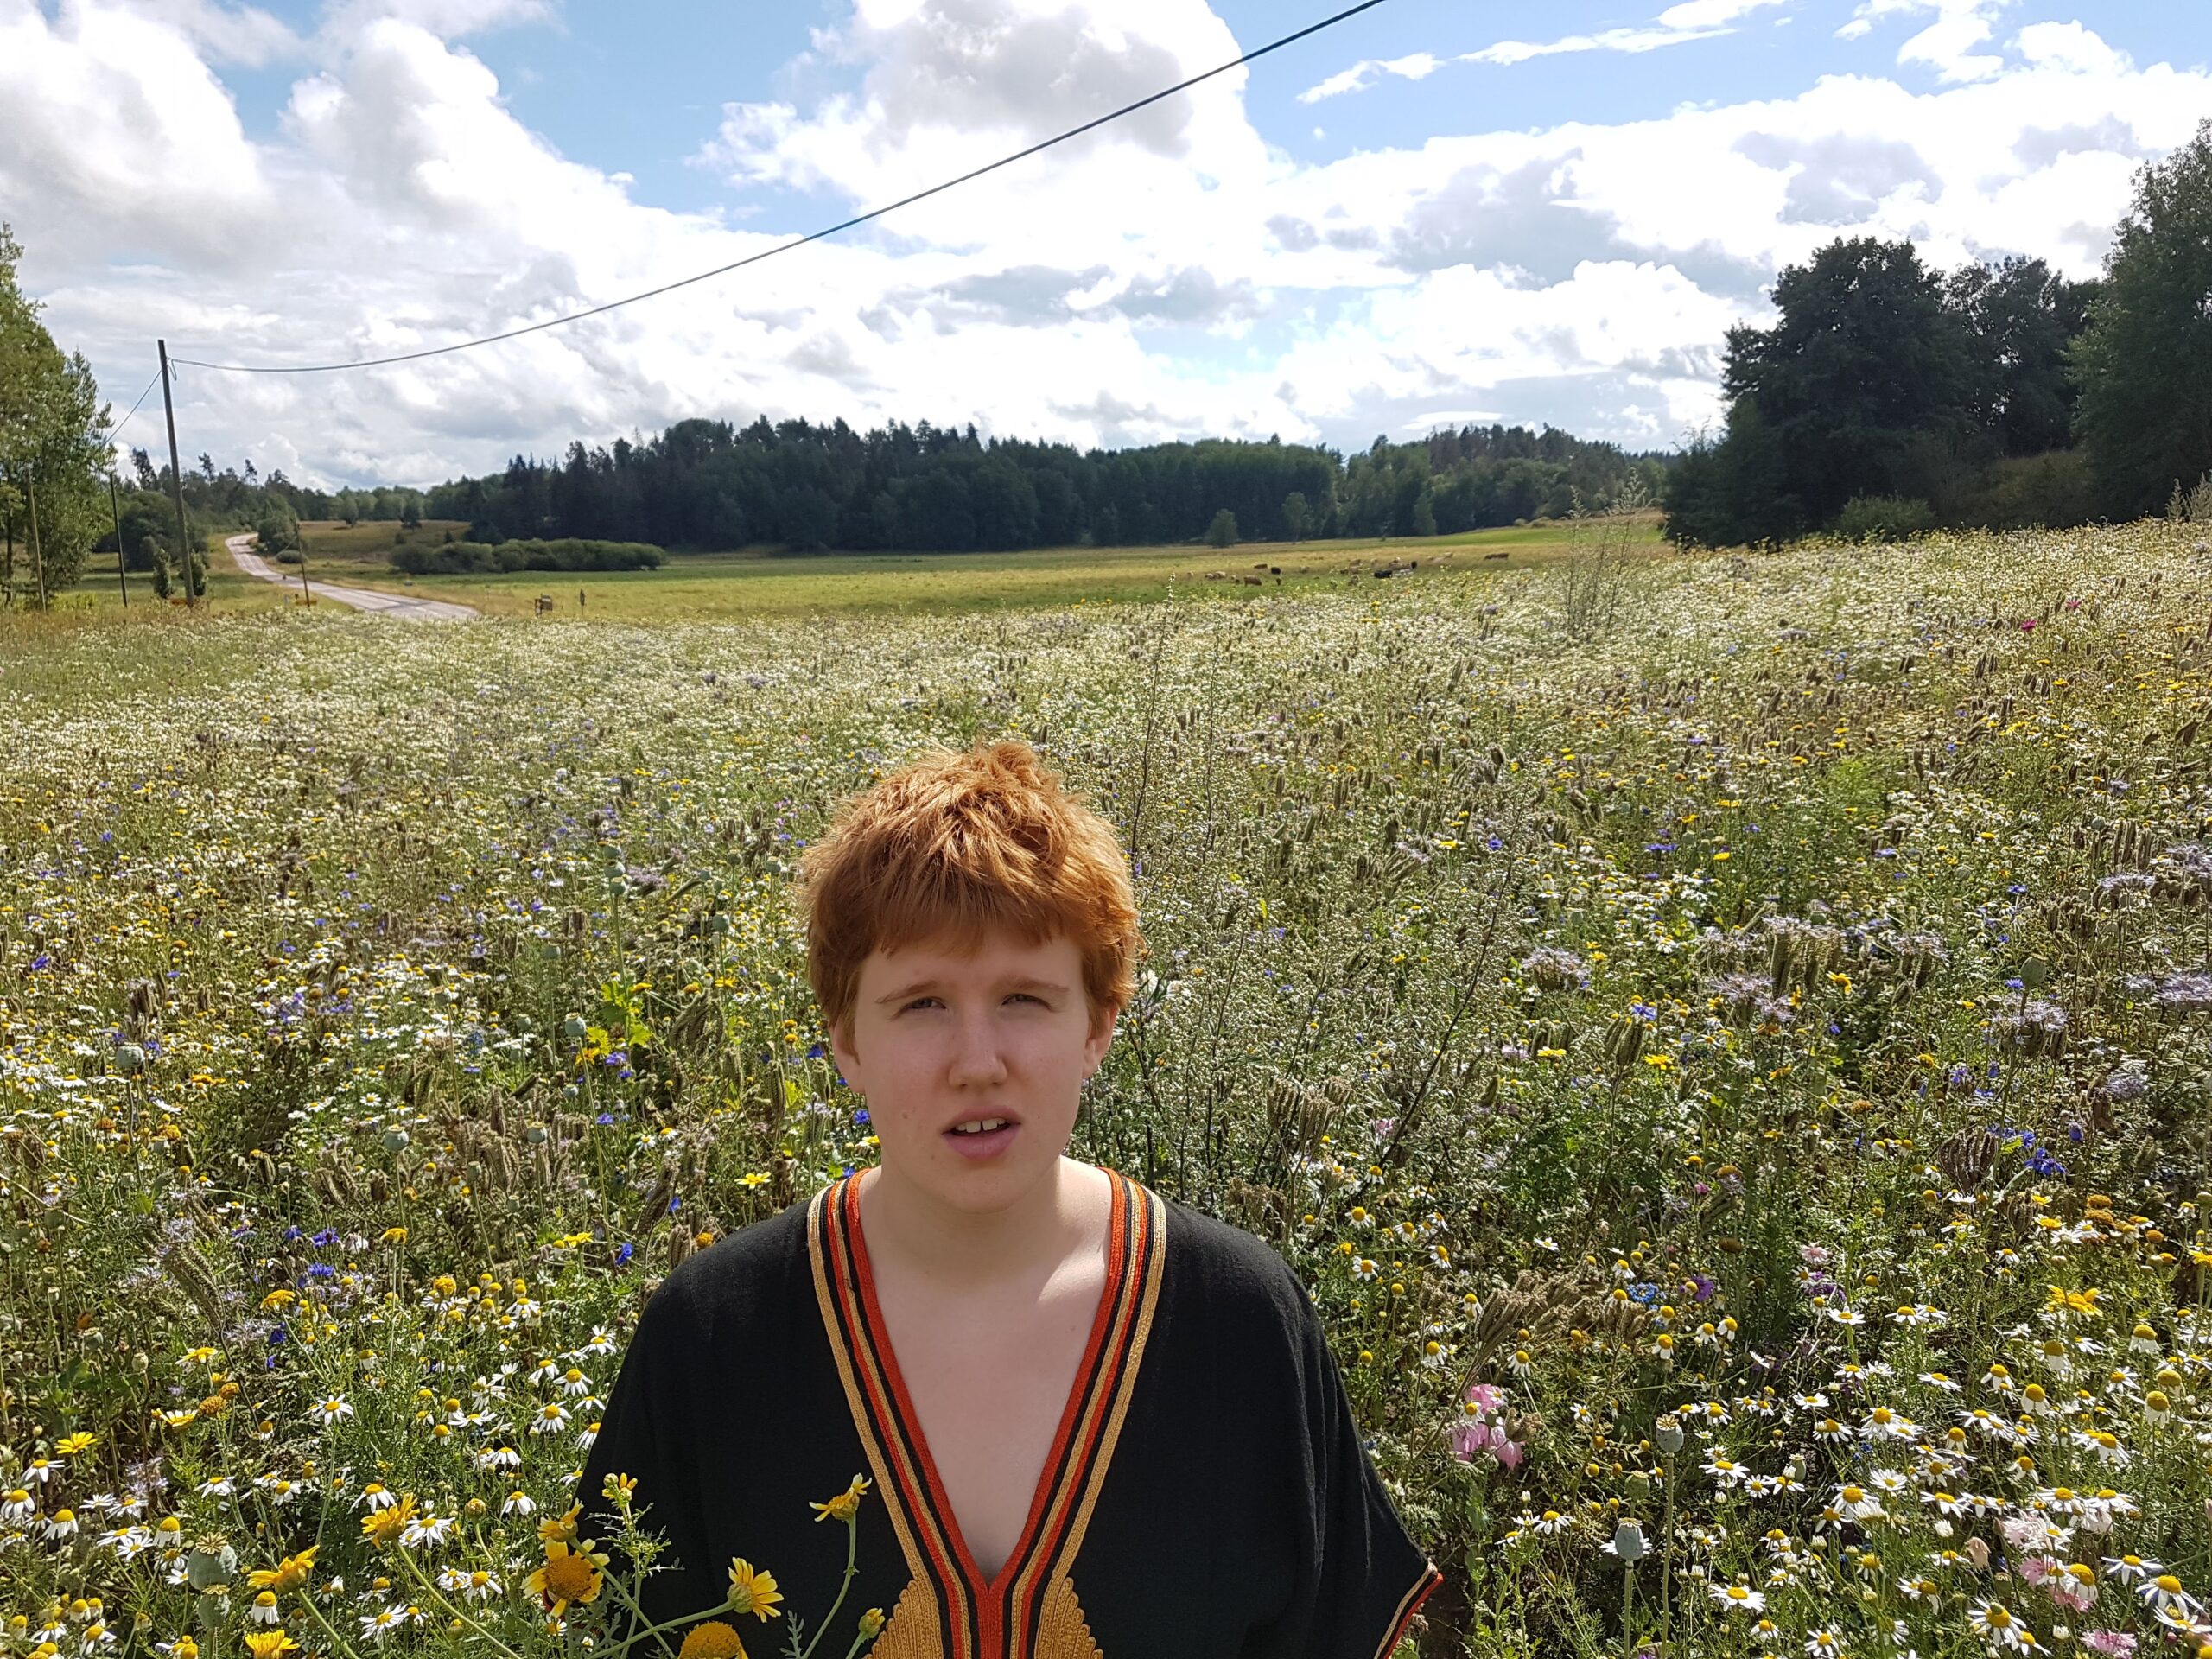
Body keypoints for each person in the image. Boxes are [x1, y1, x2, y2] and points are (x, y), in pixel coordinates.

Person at [577, 741, 1440, 1658]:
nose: (978, 1063)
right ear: (846, 1039)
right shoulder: (713, 1339)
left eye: (1024, 999)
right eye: (922, 1004)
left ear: (1098, 1025)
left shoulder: (1236, 1322)